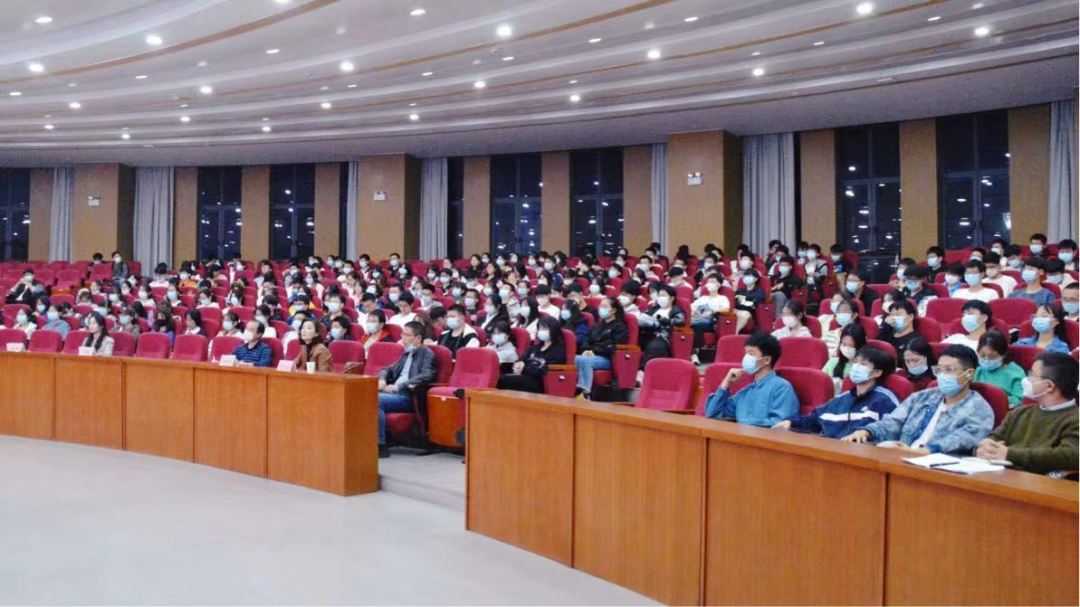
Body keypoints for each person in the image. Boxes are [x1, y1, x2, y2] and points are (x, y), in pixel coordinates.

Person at [841, 345, 994, 453]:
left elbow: (962, 440)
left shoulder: (979, 408)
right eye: (939, 370)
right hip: (901, 456)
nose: (942, 375)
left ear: (969, 374)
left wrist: (923, 451)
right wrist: (867, 431)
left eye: (949, 370)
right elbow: (893, 422)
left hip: (937, 468)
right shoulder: (923, 397)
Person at [974, 352, 1078, 474]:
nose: (1027, 379)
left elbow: (1071, 455)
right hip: (1001, 476)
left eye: (1032, 375)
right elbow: (993, 440)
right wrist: (982, 448)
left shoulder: (1075, 419)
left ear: (1049, 386)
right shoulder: (1020, 412)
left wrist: (1009, 454)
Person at [774, 346, 899, 438]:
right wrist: (791, 422)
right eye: (855, 362)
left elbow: (891, 429)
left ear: (876, 373)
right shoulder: (841, 398)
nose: (856, 367)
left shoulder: (885, 399)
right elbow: (814, 418)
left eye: (863, 364)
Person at [703, 333, 800, 427]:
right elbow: (712, 414)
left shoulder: (782, 388)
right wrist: (726, 383)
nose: (746, 358)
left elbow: (779, 425)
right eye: (746, 354)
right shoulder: (747, 391)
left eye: (751, 354)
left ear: (766, 360)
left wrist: (745, 428)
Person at [377, 322, 437, 457]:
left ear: (418, 338)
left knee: (375, 400)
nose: (403, 338)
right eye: (402, 334)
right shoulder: (406, 354)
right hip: (392, 393)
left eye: (407, 335)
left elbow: (426, 375)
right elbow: (388, 369)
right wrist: (382, 379)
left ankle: (380, 445)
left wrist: (399, 386)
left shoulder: (427, 354)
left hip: (408, 395)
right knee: (361, 396)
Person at [574, 297, 629, 400]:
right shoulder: (597, 326)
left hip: (608, 358)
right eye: (600, 306)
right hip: (591, 355)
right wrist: (586, 350)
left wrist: (594, 351)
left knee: (586, 361)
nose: (601, 309)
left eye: (605, 306)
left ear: (613, 310)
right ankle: (570, 389)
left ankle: (585, 393)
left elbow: (613, 346)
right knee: (572, 359)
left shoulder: (619, 327)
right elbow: (587, 339)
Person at [497, 317, 567, 393]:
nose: (541, 331)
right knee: (498, 374)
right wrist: (517, 366)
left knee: (501, 380)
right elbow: (521, 360)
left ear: (553, 330)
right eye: (539, 329)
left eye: (544, 329)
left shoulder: (558, 353)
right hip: (524, 376)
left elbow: (546, 371)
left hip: (540, 382)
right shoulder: (534, 348)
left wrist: (525, 369)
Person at [635, 284, 686, 382]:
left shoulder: (676, 310)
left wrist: (665, 321)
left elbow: (680, 321)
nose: (660, 298)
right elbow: (643, 316)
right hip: (646, 333)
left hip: (662, 335)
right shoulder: (654, 308)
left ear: (671, 298)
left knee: (655, 347)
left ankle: (642, 372)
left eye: (663, 295)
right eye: (659, 295)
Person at [974, 330, 1026, 407]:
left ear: (1003, 355)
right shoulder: (978, 371)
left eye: (992, 357)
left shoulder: (1015, 373)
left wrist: (995, 399)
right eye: (982, 355)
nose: (986, 360)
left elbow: (1020, 399)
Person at [689, 273, 731, 364]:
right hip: (698, 319)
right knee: (695, 325)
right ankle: (692, 353)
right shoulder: (703, 298)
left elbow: (725, 309)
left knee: (698, 325)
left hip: (713, 322)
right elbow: (691, 308)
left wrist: (711, 311)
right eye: (708, 282)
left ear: (718, 285)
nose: (709, 284)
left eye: (712, 282)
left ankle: (694, 353)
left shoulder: (722, 298)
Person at [824, 322, 868, 391]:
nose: (847, 349)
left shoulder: (865, 369)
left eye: (852, 346)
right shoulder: (832, 362)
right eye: (844, 345)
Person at [733, 269, 765, 334]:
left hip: (747, 311)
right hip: (736, 309)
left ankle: (734, 333)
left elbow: (759, 298)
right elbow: (734, 299)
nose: (746, 278)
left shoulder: (758, 291)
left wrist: (744, 297)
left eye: (749, 276)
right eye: (745, 276)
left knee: (743, 315)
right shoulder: (740, 290)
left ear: (755, 279)